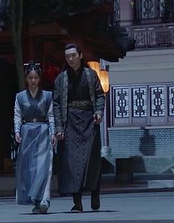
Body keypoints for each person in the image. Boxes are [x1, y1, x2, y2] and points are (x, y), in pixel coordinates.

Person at [52, 43, 105, 212]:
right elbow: (56, 104)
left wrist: (99, 111)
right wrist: (59, 127)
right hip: (70, 122)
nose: (71, 59)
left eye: (73, 55)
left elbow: (99, 95)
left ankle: (95, 192)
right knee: (72, 162)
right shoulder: (61, 79)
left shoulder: (91, 74)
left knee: (92, 159)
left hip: (89, 120)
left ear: (80, 55)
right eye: (67, 56)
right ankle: (77, 201)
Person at [13, 61, 56, 214]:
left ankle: (45, 199)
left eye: (36, 78)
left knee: (44, 167)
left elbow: (51, 116)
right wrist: (17, 130)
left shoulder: (47, 96)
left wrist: (53, 132)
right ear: (26, 79)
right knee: (29, 168)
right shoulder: (20, 97)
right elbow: (17, 115)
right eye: (30, 78)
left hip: (43, 131)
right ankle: (35, 200)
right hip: (27, 133)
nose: (33, 80)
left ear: (39, 79)